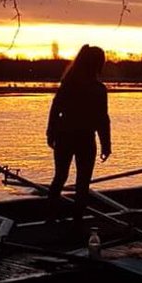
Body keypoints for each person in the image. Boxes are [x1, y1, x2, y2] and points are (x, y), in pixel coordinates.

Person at [46, 45, 112, 228]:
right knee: (82, 182)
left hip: (64, 136)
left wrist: (51, 132)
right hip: (84, 138)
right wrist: (106, 144)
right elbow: (102, 119)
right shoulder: (98, 89)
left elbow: (55, 109)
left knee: (60, 176)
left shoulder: (68, 84)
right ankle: (77, 219)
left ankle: (51, 217)